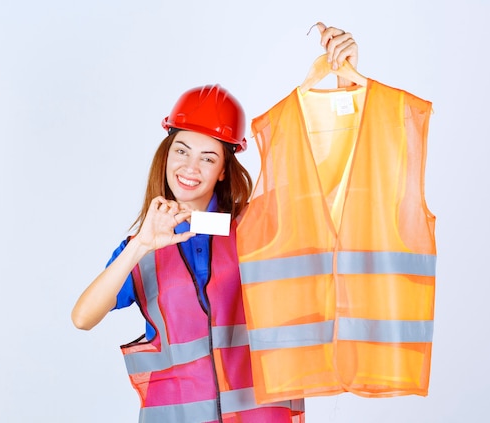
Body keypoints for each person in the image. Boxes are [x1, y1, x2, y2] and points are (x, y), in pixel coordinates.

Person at [71, 22, 359, 423]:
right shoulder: (144, 248)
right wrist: (140, 244)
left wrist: (346, 89)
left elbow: (329, 190)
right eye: (182, 151)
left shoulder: (258, 230)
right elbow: (82, 318)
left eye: (208, 157)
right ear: (166, 153)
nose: (190, 168)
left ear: (224, 169)